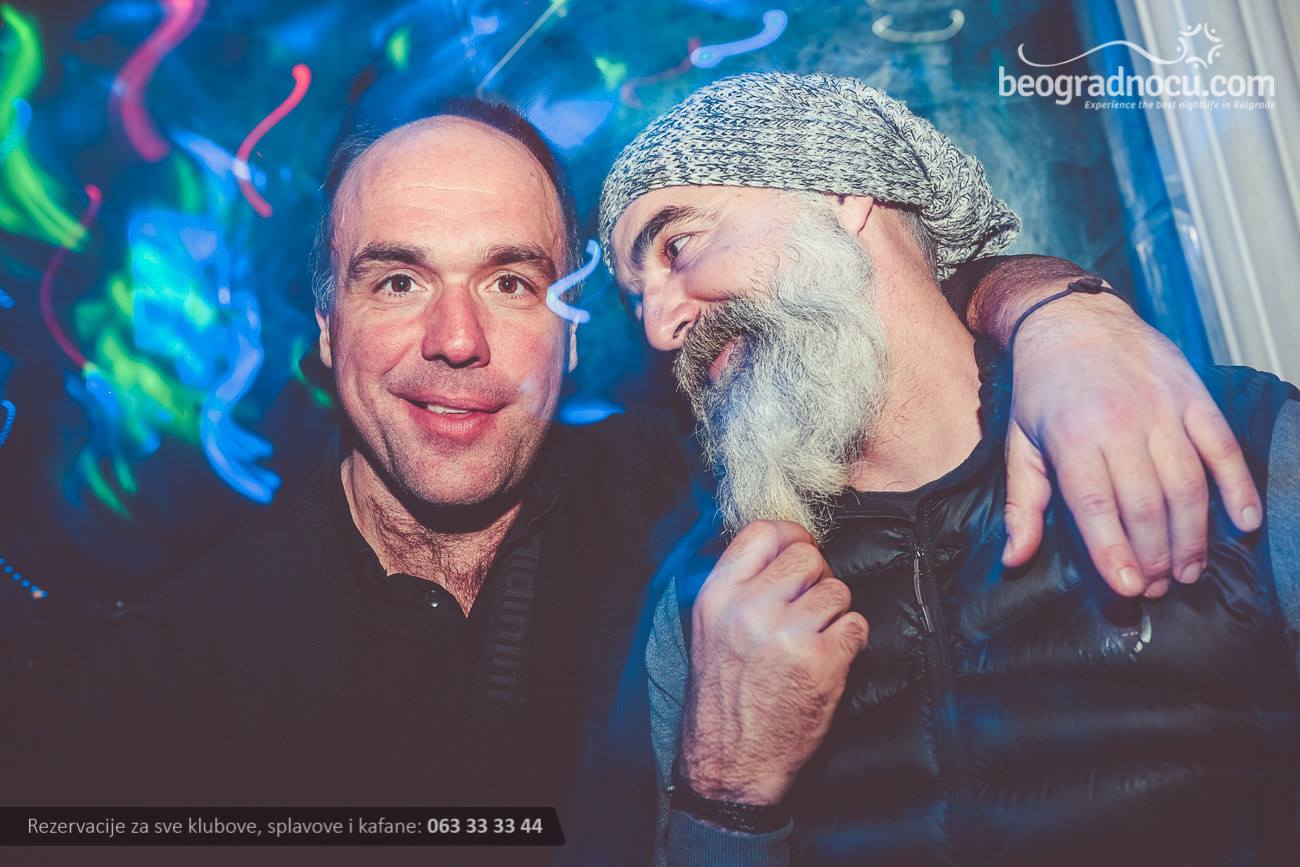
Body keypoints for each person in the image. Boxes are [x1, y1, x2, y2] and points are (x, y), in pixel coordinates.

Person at [31, 94, 1261, 840]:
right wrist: (726, 782)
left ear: (569, 333)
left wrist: (1061, 317)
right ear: (324, 328)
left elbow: (855, 305)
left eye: (512, 282)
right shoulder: (168, 672)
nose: (455, 339)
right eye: (396, 279)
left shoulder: (694, 494)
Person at [597, 72, 1300, 865]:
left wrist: (1060, 309)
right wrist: (726, 796)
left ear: (841, 188)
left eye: (677, 245)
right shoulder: (709, 605)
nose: (660, 326)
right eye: (637, 298)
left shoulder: (1230, 437)